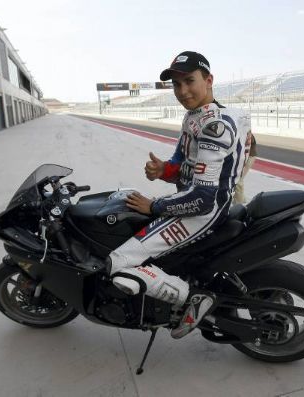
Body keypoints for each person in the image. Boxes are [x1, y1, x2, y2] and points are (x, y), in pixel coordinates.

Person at [104, 51, 251, 338]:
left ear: (209, 80)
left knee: (116, 263)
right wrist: (163, 170)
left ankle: (191, 299)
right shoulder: (196, 117)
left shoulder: (214, 126)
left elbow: (202, 197)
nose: (182, 91)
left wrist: (154, 206)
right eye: (176, 85)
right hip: (197, 203)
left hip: (202, 212)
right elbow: (182, 163)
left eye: (189, 81)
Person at [232, 131, 258, 204]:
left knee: (238, 179)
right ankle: (242, 200)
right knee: (239, 179)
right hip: (243, 156)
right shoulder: (240, 129)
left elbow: (245, 145)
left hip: (249, 156)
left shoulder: (246, 132)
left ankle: (238, 203)